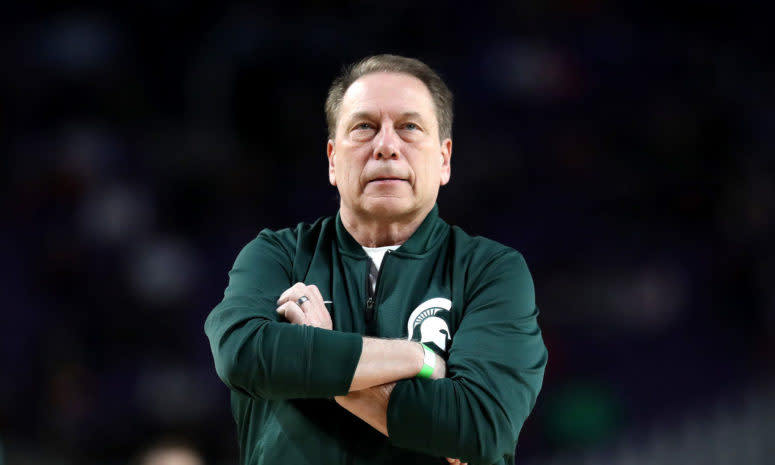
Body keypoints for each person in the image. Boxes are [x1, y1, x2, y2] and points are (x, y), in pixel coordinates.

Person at [204, 54, 547, 465]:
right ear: (333, 159)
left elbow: (477, 429)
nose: (386, 146)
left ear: (444, 159)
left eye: (409, 127)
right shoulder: (276, 255)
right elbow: (242, 355)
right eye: (364, 127)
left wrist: (317, 356)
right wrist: (419, 359)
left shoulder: (491, 271)